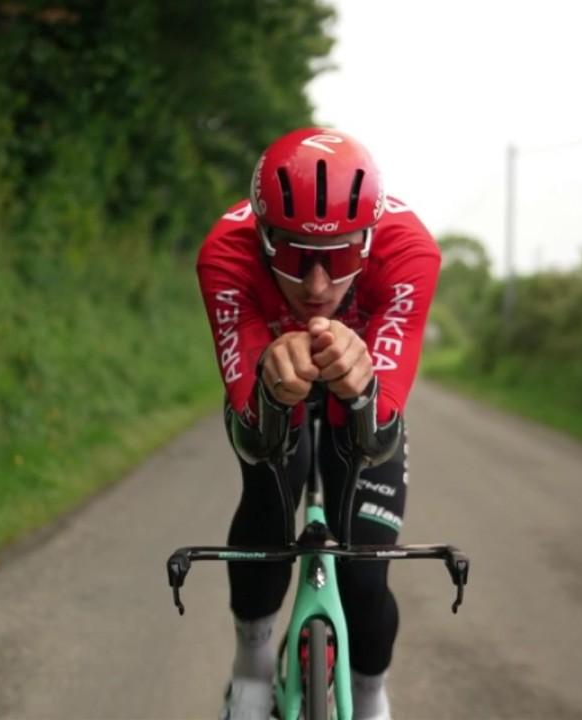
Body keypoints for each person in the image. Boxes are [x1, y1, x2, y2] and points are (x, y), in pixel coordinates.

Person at [196, 128, 441, 720]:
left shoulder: (409, 251)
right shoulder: (225, 252)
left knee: (365, 561)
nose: (316, 286)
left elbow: (379, 430)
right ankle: (251, 673)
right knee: (272, 489)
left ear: (371, 238)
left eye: (340, 258)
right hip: (273, 392)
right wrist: (270, 391)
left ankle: (373, 696)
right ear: (259, 233)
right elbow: (253, 432)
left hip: (359, 391)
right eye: (290, 253)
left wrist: (363, 392)